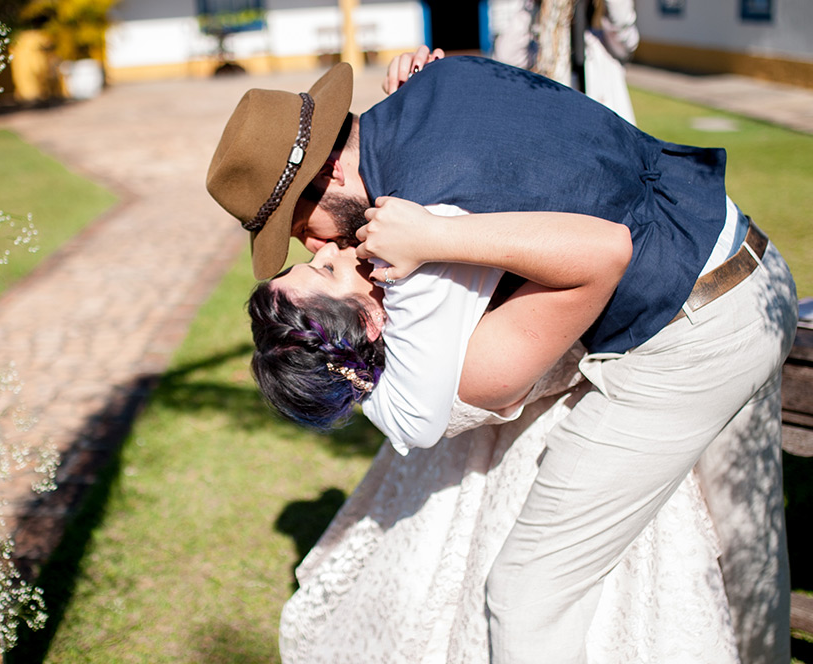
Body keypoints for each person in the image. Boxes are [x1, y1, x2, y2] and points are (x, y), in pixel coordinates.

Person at [207, 54, 797, 662]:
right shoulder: (440, 82)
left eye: (300, 226)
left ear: (329, 174)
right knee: (748, 534)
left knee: (526, 594)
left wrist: (439, 238)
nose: (317, 243)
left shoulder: (426, 218)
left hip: (698, 333)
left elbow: (598, 248)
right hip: (747, 260)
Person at [250, 205, 739, 662]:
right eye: (327, 270)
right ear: (370, 321)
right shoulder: (466, 362)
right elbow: (596, 264)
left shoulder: (411, 320)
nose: (326, 249)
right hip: (580, 429)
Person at [489, 0, 640, 123]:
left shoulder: (604, 46)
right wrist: (532, 6)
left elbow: (622, 27)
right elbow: (505, 58)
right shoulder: (542, 48)